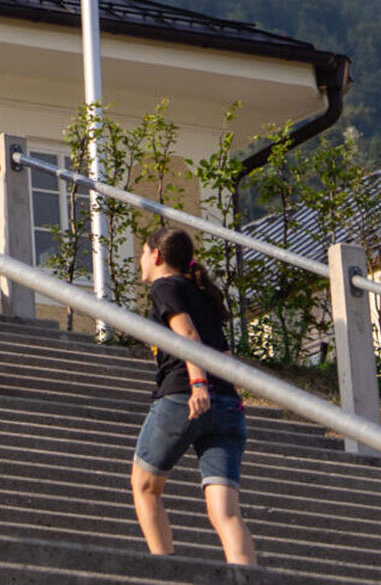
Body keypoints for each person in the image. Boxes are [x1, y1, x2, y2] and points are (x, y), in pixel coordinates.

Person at [131, 227, 256, 568]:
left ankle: (166, 570)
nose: (141, 259)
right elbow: (226, 355)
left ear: (156, 256)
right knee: (226, 513)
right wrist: (228, 394)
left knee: (145, 487)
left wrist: (199, 385)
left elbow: (187, 334)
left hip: (184, 396)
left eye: (143, 251)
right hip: (228, 405)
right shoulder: (203, 293)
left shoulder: (164, 286)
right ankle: (247, 577)